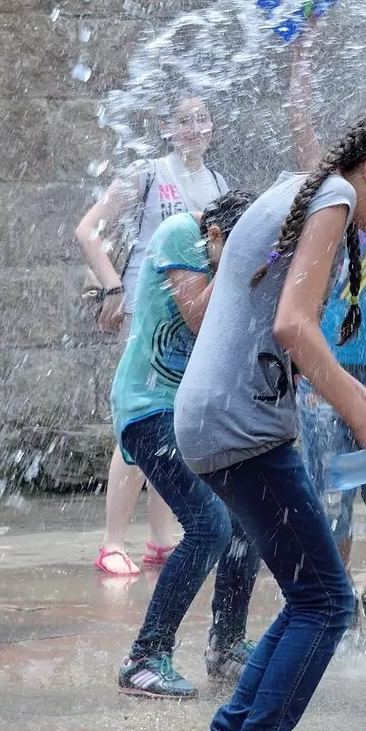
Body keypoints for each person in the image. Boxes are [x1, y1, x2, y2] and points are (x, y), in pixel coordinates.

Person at [174, 111, 366, 731]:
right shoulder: (336, 198)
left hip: (215, 416)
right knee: (325, 602)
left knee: (305, 598)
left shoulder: (308, 188)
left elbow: (274, 327)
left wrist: (364, 398)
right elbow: (296, 323)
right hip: (240, 425)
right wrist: (364, 426)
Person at [111, 191, 261, 697]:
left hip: (197, 411)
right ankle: (145, 657)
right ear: (219, 235)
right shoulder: (181, 232)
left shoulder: (229, 252)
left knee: (247, 520)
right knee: (208, 526)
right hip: (148, 407)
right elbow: (199, 316)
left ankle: (226, 645)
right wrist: (237, 259)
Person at [288, 38, 366, 635]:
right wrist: (302, 67)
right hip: (329, 367)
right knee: (330, 481)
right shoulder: (336, 204)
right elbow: (306, 137)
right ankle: (338, 595)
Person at [74, 96, 226, 577]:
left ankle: (162, 537)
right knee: (140, 425)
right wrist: (111, 286)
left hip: (193, 318)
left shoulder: (220, 183)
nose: (195, 128)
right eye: (185, 120)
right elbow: (87, 230)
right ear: (167, 128)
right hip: (146, 314)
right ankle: (112, 542)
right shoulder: (147, 174)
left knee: (173, 426)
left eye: (203, 118)